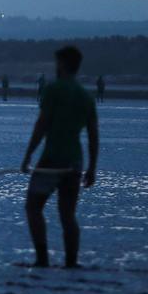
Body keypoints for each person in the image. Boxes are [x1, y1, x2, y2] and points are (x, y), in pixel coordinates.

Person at [20, 45, 98, 268]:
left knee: (33, 207)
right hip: (75, 161)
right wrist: (92, 167)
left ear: (62, 64)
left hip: (52, 158)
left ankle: (42, 258)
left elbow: (41, 125)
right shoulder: (86, 96)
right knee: (67, 213)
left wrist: (27, 156)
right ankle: (71, 262)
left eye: (56, 63)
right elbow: (93, 135)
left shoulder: (53, 90)